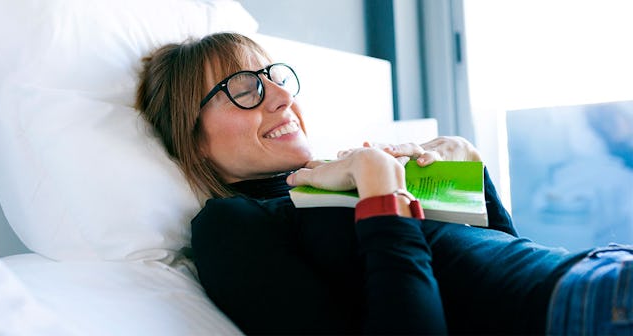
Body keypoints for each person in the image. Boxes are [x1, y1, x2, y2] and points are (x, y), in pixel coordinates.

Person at [135, 32, 633, 335]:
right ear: (192, 138)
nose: (282, 95)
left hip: (596, 272)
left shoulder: (330, 178)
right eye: (244, 89)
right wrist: (379, 189)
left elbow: (497, 255)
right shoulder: (232, 225)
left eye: (274, 77)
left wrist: (473, 175)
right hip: (583, 304)